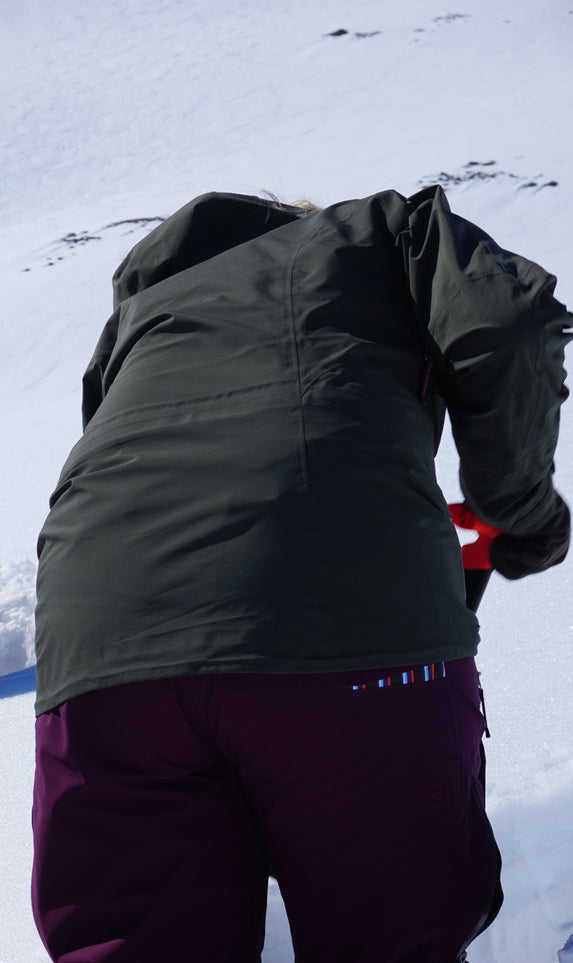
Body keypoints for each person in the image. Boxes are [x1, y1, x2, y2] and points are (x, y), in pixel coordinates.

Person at [32, 187, 571, 961]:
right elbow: (508, 322)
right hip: (343, 642)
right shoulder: (382, 235)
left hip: (100, 641)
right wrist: (518, 506)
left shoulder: (147, 310)